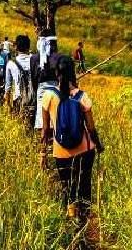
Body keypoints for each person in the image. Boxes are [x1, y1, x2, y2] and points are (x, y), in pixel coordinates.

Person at [41, 55, 99, 222]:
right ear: (73, 72)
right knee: (84, 184)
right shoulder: (82, 96)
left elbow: (46, 130)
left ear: (56, 73)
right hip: (85, 150)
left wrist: (43, 153)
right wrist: (99, 146)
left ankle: (72, 218)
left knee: (67, 186)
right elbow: (91, 128)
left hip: (61, 151)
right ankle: (86, 220)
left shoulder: (48, 96)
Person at [4, 35, 35, 121]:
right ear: (28, 47)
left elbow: (8, 87)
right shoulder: (34, 61)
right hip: (34, 99)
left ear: (16, 47)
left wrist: (8, 105)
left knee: (19, 126)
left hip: (18, 99)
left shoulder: (11, 63)